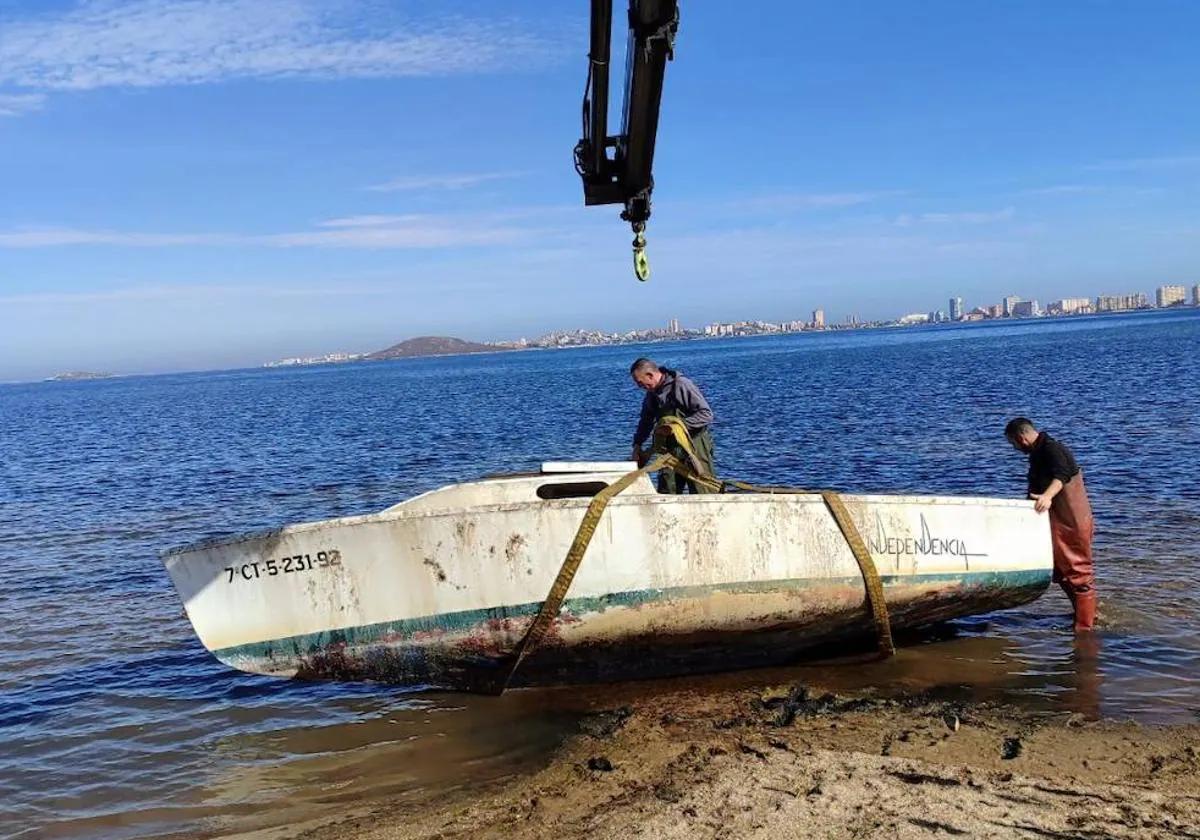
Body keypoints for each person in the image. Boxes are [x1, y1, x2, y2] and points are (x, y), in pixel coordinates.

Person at [1005, 417, 1096, 631]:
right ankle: (1085, 615)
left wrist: (1047, 496)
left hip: (1072, 522)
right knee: (1061, 572)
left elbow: (1061, 476)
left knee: (1077, 573)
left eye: (1013, 443)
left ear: (1021, 437)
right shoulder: (1038, 453)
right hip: (1057, 521)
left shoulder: (1052, 449)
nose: (1015, 448)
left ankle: (1085, 629)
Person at [630, 358, 716, 493]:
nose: (639, 387)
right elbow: (645, 422)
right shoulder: (651, 395)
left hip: (694, 446)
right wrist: (637, 445)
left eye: (640, 383)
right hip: (669, 451)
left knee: (704, 490)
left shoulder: (682, 385)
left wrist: (677, 427)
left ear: (650, 375)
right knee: (667, 491)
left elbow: (706, 414)